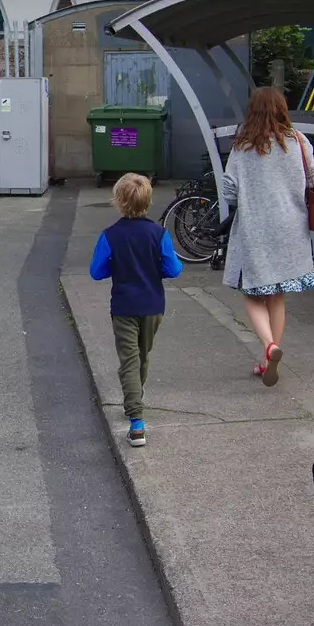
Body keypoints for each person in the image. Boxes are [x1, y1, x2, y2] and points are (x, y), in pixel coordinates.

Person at [219, 86, 314, 386]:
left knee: (251, 293)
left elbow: (229, 190)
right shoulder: (299, 141)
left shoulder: (243, 146)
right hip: (292, 229)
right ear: (281, 109)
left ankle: (269, 347)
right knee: (277, 296)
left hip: (255, 229)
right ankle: (268, 358)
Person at [89, 173, 184, 447]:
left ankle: (136, 421)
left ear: (118, 202)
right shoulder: (159, 234)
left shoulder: (110, 235)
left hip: (123, 307)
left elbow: (96, 271)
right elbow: (173, 269)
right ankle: (135, 405)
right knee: (141, 357)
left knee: (129, 360)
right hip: (153, 305)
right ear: (148, 201)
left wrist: (115, 265)